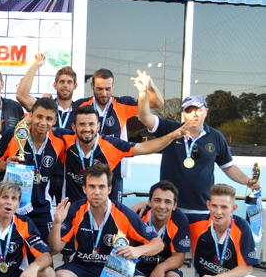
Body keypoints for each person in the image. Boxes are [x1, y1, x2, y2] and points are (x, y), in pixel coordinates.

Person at [48, 164, 164, 277]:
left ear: (109, 189)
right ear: (84, 189)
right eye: (92, 186)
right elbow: (55, 248)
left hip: (114, 270)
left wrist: (138, 250)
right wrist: (56, 223)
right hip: (83, 267)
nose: (97, 192)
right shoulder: (75, 210)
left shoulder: (123, 213)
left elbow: (158, 243)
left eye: (101, 187)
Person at [133, 72, 260, 213]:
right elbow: (144, 117)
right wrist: (144, 91)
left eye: (198, 110)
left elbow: (228, 166)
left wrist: (247, 181)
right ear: (183, 114)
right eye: (189, 110)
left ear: (206, 111)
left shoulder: (216, 137)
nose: (194, 114)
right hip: (170, 207)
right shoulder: (170, 129)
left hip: (202, 208)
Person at [61, 105, 189, 204]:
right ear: (73, 127)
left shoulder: (111, 144)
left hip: (101, 209)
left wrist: (173, 135)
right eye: (82, 124)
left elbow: (144, 148)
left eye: (91, 124)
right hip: (73, 209)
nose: (87, 128)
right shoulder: (64, 140)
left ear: (98, 126)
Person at [72, 68, 165, 203]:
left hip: (115, 171)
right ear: (92, 86)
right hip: (86, 171)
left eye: (108, 89)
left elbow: (158, 103)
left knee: (114, 213)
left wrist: (149, 86)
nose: (104, 93)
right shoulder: (81, 105)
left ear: (113, 86)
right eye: (99, 89)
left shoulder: (123, 104)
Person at [0, 98, 66, 243]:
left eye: (49, 119)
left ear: (55, 120)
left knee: (44, 252)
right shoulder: (14, 134)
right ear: (30, 115)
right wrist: (5, 165)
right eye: (39, 116)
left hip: (42, 208)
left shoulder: (59, 141)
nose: (43, 123)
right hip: (13, 207)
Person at [130, 180, 190, 277]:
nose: (162, 206)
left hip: (163, 269)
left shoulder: (180, 220)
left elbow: (179, 258)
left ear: (175, 205)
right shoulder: (136, 216)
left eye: (167, 201)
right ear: (149, 202)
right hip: (137, 268)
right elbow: (125, 250)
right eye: (157, 200)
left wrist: (161, 268)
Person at [16, 54, 77, 203]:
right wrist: (35, 65)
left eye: (69, 82)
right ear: (55, 85)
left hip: (68, 173)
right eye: (61, 81)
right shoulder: (44, 107)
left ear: (75, 86)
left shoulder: (80, 111)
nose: (65, 85)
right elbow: (21, 95)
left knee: (67, 217)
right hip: (42, 171)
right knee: (41, 212)